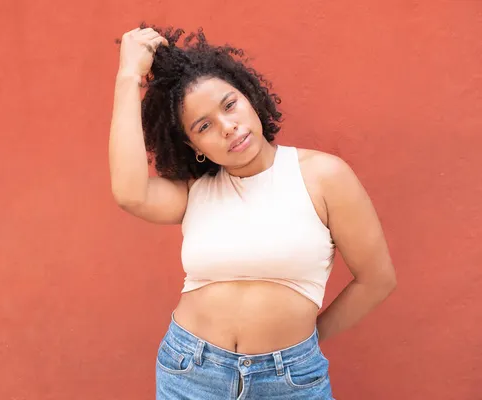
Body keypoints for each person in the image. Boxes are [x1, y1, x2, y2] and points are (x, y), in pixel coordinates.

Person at [108, 24, 397, 400]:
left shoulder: (324, 177)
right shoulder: (197, 191)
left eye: (230, 105)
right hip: (191, 372)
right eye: (204, 126)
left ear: (249, 97)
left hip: (290, 380)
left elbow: (377, 279)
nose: (228, 127)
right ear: (192, 144)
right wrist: (128, 77)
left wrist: (302, 343)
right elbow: (129, 193)